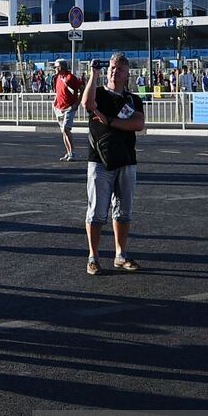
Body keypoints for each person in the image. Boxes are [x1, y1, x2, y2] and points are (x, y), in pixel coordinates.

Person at [83, 52, 145, 275]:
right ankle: (93, 256)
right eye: (111, 67)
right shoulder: (98, 93)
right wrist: (94, 74)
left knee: (123, 212)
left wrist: (109, 121)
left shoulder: (132, 99)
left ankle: (120, 254)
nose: (113, 71)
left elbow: (138, 124)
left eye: (119, 68)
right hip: (99, 161)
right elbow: (87, 104)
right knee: (97, 212)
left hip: (127, 161)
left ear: (127, 73)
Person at [52, 58, 84, 161]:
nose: (54, 69)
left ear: (61, 67)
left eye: (55, 67)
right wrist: (55, 102)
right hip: (59, 108)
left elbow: (82, 89)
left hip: (69, 107)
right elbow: (58, 91)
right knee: (64, 131)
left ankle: (72, 152)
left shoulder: (70, 78)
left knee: (66, 128)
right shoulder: (58, 78)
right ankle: (68, 152)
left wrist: (77, 103)